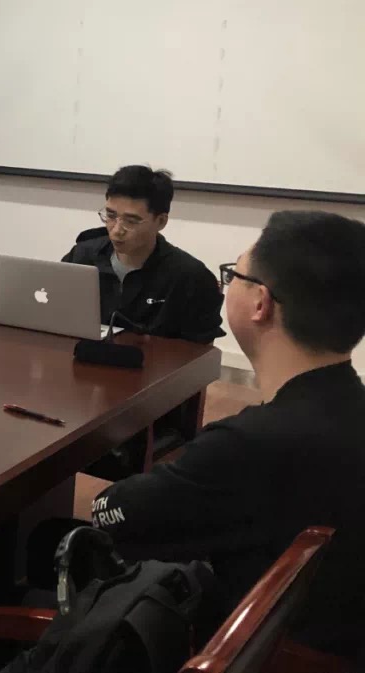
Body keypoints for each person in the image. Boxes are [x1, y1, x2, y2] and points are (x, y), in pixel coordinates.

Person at [93, 210, 365, 659]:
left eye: (233, 275)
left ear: (261, 303)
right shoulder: (345, 409)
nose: (227, 286)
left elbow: (114, 515)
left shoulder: (250, 444)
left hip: (240, 649)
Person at [63, 166, 224, 343]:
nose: (116, 230)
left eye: (131, 221)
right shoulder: (82, 256)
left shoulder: (190, 277)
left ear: (160, 221)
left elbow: (202, 352)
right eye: (110, 215)